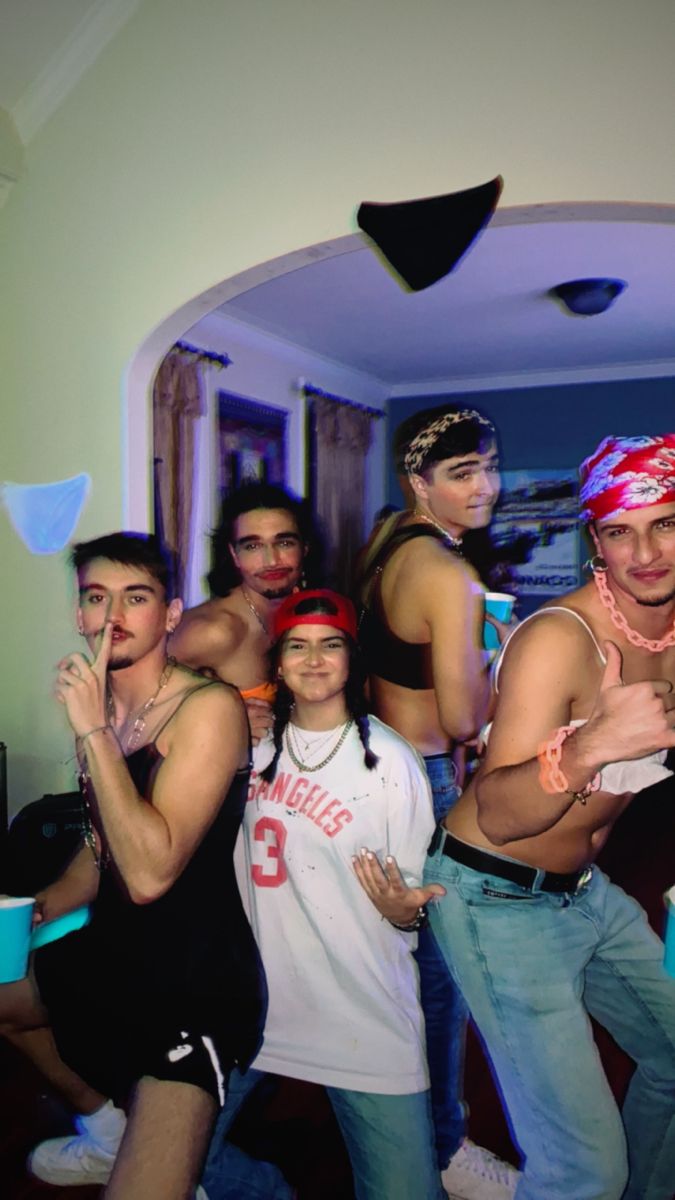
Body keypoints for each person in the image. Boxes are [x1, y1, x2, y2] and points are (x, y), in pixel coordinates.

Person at [415, 434, 675, 1199]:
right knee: (581, 1168)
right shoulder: (558, 641)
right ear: (594, 541)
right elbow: (496, 813)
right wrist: (593, 743)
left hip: (583, 891)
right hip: (493, 894)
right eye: (620, 531)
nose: (645, 552)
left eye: (664, 523)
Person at [0, 532, 265, 1198]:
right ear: (79, 616)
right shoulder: (110, 707)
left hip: (192, 986)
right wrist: (43, 906)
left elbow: (148, 876)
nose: (112, 615)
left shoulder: (209, 710)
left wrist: (91, 732)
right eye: (96, 597)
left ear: (171, 615)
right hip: (108, 955)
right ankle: (106, 1131)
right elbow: (101, 847)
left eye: (135, 597)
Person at [202, 589, 446, 1200]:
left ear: (351, 659)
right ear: (277, 662)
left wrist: (403, 914)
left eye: (330, 645)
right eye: (298, 646)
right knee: (178, 1161)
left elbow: (413, 901)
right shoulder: (244, 751)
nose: (313, 661)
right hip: (256, 1011)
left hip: (361, 1012)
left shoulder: (391, 763)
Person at [357, 403, 518, 1199]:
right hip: (426, 778)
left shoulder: (385, 547)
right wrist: (502, 652)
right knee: (439, 976)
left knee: (400, 968)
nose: (484, 486)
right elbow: (463, 717)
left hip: (375, 768)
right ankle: (443, 1150)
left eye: (488, 466)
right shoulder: (449, 576)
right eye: (462, 473)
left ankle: (409, 1132)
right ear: (417, 481)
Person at [171, 482, 318, 742]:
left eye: (284, 542)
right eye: (252, 546)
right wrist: (223, 720)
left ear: (305, 547)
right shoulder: (214, 631)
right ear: (233, 555)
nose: (272, 560)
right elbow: (131, 705)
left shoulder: (315, 615)